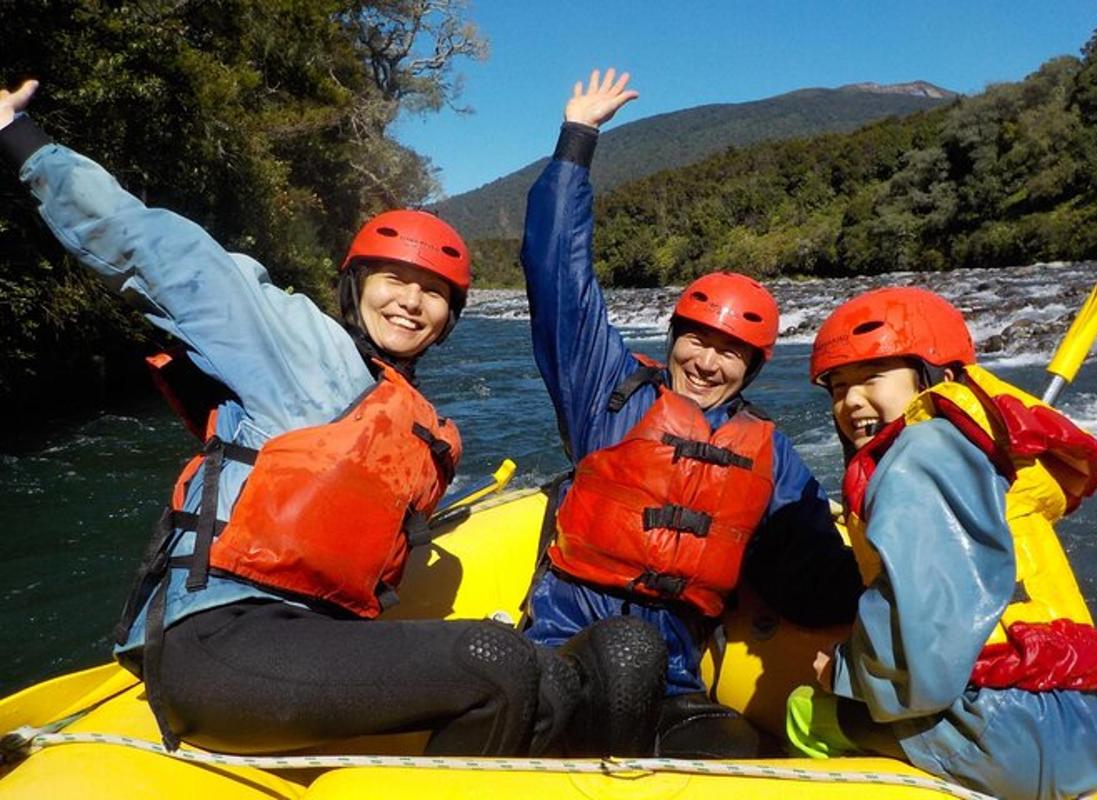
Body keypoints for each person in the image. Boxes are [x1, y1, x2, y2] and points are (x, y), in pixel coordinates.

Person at [0, 78, 580, 756]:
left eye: (434, 294)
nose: (411, 302)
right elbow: (163, 252)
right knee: (496, 660)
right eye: (393, 280)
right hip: (220, 642)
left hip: (318, 643)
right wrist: (19, 137)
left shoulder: (427, 429)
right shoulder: (295, 346)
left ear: (450, 319)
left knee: (554, 678)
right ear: (353, 287)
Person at [520, 69, 862, 757]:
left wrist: (881, 479)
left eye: (730, 353)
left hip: (676, 679)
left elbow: (819, 582)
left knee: (735, 748)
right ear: (672, 339)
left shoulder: (773, 456)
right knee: (621, 653)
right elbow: (558, 273)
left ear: (754, 369)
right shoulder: (607, 389)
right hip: (559, 651)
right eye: (697, 340)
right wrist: (577, 141)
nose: (707, 362)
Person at [790, 286, 1097, 799]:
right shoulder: (995, 449)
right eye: (836, 387)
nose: (850, 401)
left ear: (933, 376)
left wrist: (844, 671)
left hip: (1000, 732)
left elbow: (923, 665)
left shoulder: (920, 452)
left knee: (804, 713)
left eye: (871, 377)